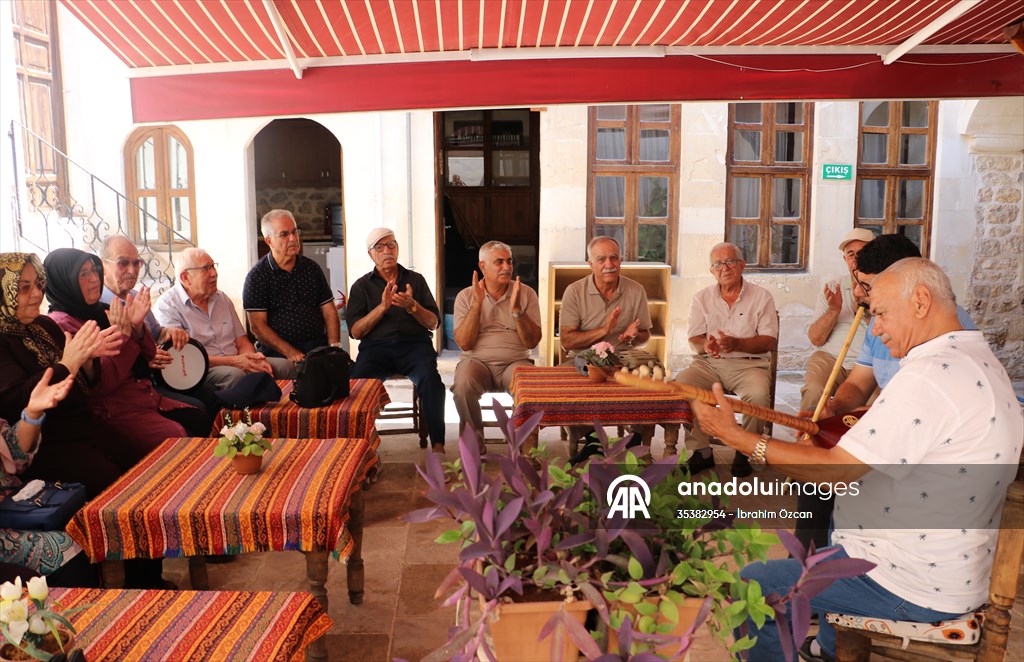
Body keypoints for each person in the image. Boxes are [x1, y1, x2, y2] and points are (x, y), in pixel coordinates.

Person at [689, 257, 1021, 662]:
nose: (875, 329)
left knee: (755, 585)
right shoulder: (977, 359)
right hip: (944, 567)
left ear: (920, 301)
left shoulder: (930, 375)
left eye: (879, 313)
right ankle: (830, 650)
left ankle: (822, 644)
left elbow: (838, 468)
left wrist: (736, 437)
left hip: (908, 583)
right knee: (829, 537)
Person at [0, 252, 139, 496]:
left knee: (140, 462)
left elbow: (87, 387)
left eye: (38, 285)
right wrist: (68, 364)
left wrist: (86, 360)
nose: (36, 294)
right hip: (46, 445)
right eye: (23, 288)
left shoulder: (44, 326)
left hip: (83, 427)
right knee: (115, 489)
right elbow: (14, 400)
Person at [43, 248, 208, 451]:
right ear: (63, 280)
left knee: (200, 416)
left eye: (94, 270)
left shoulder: (103, 308)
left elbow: (149, 355)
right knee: (179, 441)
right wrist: (124, 335)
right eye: (83, 274)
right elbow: (103, 385)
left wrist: (137, 325)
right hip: (111, 411)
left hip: (141, 396)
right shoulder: (62, 324)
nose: (94, 279)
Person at [819, 234, 976, 419]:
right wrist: (834, 411)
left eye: (867, 286)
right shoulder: (880, 321)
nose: (857, 292)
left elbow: (927, 412)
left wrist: (866, 415)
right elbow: (858, 385)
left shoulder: (950, 332)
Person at [675, 242, 778, 478]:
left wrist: (737, 344)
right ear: (712, 271)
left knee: (759, 395)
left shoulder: (762, 297)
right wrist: (705, 345)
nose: (725, 268)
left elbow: (768, 341)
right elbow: (694, 338)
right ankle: (701, 450)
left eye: (730, 261)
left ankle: (744, 449)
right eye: (718, 264)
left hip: (749, 364)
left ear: (742, 265)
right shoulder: (701, 298)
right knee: (683, 384)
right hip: (709, 364)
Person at [346, 228, 446, 452]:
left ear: (398, 249)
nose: (386, 251)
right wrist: (382, 308)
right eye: (379, 248)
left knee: (432, 382)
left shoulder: (415, 281)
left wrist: (412, 306)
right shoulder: (362, 286)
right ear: (371, 254)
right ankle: (358, 449)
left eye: (391, 245)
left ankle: (438, 446)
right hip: (375, 350)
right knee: (357, 386)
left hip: (414, 347)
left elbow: (433, 322)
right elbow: (355, 331)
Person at [0, 368, 95, 587]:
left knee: (89, 521)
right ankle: (78, 617)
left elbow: (15, 456)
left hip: (11, 507)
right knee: (64, 546)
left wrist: (32, 413)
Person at [154, 248, 295, 389]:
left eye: (213, 266)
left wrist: (251, 360)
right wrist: (235, 362)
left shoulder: (222, 299)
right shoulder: (167, 306)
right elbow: (184, 359)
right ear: (185, 277)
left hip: (238, 360)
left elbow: (242, 341)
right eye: (205, 269)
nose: (214, 273)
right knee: (235, 376)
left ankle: (286, 411)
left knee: (286, 366)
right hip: (203, 368)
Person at [452, 241, 542, 445]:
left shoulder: (525, 293)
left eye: (509, 262)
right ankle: (473, 449)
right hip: (476, 361)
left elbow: (533, 341)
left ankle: (525, 451)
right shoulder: (465, 296)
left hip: (515, 361)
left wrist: (517, 310)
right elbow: (464, 344)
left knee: (529, 387)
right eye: (499, 262)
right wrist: (477, 304)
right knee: (462, 387)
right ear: (483, 266)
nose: (507, 267)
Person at [243, 210, 340, 364]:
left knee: (347, 373)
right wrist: (290, 352)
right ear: (269, 241)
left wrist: (335, 347)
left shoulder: (311, 268)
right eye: (284, 234)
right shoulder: (257, 277)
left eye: (295, 231)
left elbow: (329, 311)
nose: (293, 238)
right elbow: (257, 326)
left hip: (316, 347)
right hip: (277, 353)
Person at [800, 228, 873, 414]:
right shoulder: (833, 288)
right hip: (831, 358)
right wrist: (834, 310)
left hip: (867, 363)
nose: (856, 259)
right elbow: (816, 339)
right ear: (845, 260)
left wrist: (865, 310)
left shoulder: (884, 286)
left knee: (871, 406)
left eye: (862, 253)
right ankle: (808, 438)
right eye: (851, 254)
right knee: (814, 391)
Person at [559, 236, 651, 353]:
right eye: (601, 259)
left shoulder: (637, 290)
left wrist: (635, 336)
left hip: (624, 358)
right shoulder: (574, 292)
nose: (609, 265)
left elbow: (645, 338)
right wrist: (603, 330)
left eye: (614, 258)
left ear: (620, 260)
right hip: (584, 360)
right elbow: (566, 342)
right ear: (591, 264)